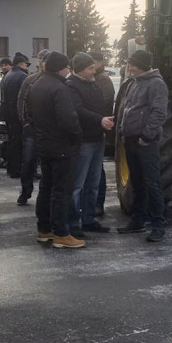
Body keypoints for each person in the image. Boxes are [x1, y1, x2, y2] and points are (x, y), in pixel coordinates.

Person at [28, 51, 85, 248]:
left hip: (44, 145)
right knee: (61, 190)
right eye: (67, 67)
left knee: (46, 187)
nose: (69, 70)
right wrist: (78, 136)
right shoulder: (60, 88)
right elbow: (68, 120)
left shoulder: (36, 85)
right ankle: (61, 233)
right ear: (61, 68)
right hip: (62, 146)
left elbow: (28, 115)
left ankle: (44, 229)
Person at [117, 50, 169, 242]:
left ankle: (158, 225)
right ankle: (138, 220)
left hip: (145, 141)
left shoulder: (156, 84)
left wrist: (146, 136)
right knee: (137, 182)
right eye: (130, 64)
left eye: (134, 65)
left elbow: (159, 112)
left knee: (152, 183)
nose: (130, 68)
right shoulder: (134, 83)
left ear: (144, 66)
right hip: (130, 140)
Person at [67, 53, 114, 236]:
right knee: (77, 185)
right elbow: (78, 110)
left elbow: (100, 106)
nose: (94, 70)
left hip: (97, 138)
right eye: (90, 68)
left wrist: (105, 121)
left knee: (93, 183)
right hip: (84, 141)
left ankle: (88, 219)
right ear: (80, 69)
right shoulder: (71, 86)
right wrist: (100, 120)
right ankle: (73, 223)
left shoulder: (92, 83)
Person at [15, 49, 49, 205]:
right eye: (40, 60)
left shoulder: (56, 80)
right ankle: (25, 192)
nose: (42, 63)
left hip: (49, 130)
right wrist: (25, 123)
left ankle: (46, 194)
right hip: (32, 129)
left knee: (49, 163)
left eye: (45, 60)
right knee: (28, 162)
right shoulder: (30, 80)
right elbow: (21, 102)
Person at [90, 51, 115, 216]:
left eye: (92, 63)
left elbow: (103, 103)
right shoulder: (95, 79)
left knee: (97, 169)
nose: (90, 66)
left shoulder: (103, 80)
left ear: (99, 63)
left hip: (98, 128)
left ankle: (98, 203)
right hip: (94, 127)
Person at [2, 52, 31, 178]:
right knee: (20, 143)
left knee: (12, 141)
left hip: (9, 113)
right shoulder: (23, 76)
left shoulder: (8, 75)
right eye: (26, 64)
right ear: (21, 64)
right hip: (19, 114)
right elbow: (26, 96)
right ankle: (18, 169)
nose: (27, 66)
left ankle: (11, 168)